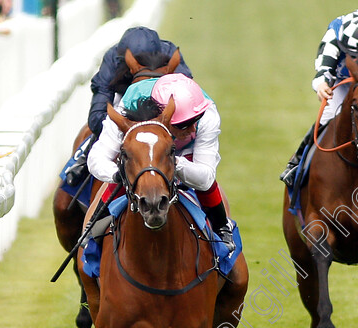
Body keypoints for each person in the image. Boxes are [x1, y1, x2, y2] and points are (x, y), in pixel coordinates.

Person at [87, 74, 235, 251]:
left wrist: (173, 162)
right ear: (161, 117)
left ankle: (222, 230)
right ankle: (94, 231)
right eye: (184, 125)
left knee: (205, 185)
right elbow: (97, 158)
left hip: (184, 153)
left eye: (195, 121)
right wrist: (118, 174)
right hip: (143, 153)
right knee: (130, 169)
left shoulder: (206, 114)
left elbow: (205, 177)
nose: (193, 128)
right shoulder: (127, 108)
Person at [280, 8, 358, 186]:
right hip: (342, 82)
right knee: (325, 119)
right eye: (351, 55)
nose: (355, 61)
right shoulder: (336, 32)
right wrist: (322, 85)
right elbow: (324, 70)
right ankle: (297, 162)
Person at [64, 26, 192, 187]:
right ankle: (82, 162)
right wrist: (122, 128)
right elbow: (98, 111)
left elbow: (188, 98)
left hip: (163, 104)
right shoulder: (112, 58)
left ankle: (215, 207)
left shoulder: (170, 54)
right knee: (63, 204)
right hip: (125, 102)